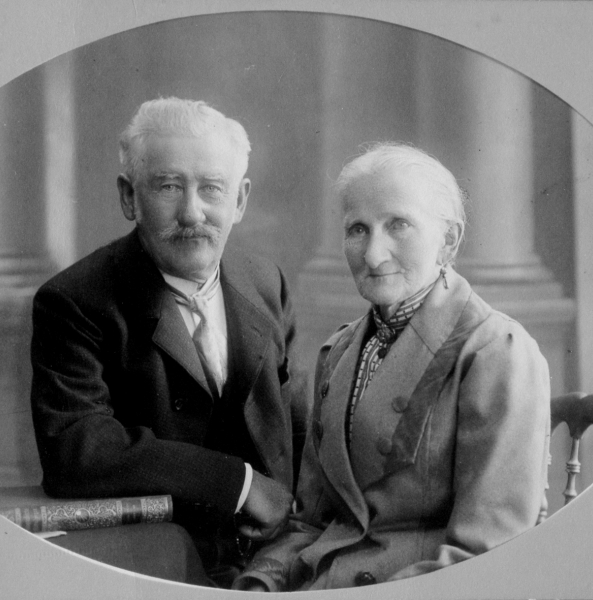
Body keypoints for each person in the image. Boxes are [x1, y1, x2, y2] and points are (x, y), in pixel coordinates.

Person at [234, 143, 551, 591]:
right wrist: (263, 580)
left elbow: (487, 554)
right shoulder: (339, 352)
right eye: (357, 229)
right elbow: (310, 522)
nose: (373, 254)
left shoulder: (496, 352)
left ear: (448, 240)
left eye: (398, 225)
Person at [29, 97, 305, 585]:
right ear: (129, 197)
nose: (192, 213)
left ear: (240, 200)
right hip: (155, 566)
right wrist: (239, 485)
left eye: (211, 188)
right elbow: (77, 452)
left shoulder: (266, 281)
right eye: (169, 186)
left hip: (277, 558)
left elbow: (294, 423)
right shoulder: (74, 300)